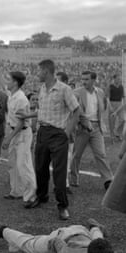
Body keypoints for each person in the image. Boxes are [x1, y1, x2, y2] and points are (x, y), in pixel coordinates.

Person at [31, 59, 80, 220]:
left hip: (58, 133)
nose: (37, 74)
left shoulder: (64, 89)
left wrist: (66, 132)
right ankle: (42, 196)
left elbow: (76, 110)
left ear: (46, 71)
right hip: (43, 132)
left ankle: (63, 205)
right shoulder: (42, 88)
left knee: (59, 172)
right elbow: (41, 112)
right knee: (40, 167)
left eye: (39, 71)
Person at [69, 71, 113, 190]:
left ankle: (108, 180)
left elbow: (102, 108)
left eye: (87, 79)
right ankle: (74, 178)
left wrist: (98, 123)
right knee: (76, 155)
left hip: (96, 127)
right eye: (82, 79)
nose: (84, 81)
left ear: (94, 80)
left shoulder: (100, 92)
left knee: (101, 154)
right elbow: (75, 109)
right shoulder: (76, 92)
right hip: (82, 127)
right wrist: (84, 122)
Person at [2, 71, 37, 208]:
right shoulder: (12, 95)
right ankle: (16, 191)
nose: (7, 81)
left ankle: (31, 196)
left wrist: (8, 138)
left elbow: (21, 122)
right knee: (12, 163)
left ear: (15, 82)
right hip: (13, 130)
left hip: (21, 133)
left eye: (9, 79)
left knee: (24, 164)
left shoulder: (21, 98)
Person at [0, 219, 113, 253]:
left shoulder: (101, 249)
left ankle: (94, 227)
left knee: (98, 240)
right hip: (62, 236)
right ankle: (1, 230)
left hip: (83, 233)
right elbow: (55, 242)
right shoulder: (69, 252)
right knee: (30, 245)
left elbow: (99, 243)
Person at [107, 73, 124, 142]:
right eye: (117, 79)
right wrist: (110, 106)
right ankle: (112, 136)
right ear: (114, 79)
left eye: (119, 79)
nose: (119, 80)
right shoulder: (110, 86)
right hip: (112, 103)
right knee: (112, 122)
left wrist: (122, 104)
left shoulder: (121, 86)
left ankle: (118, 133)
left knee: (123, 120)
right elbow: (107, 98)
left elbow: (122, 97)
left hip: (120, 104)